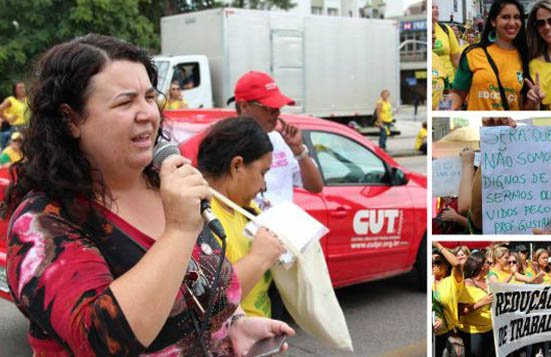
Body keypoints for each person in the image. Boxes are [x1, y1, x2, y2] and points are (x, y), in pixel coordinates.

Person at [3, 34, 292, 356]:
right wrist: (180, 229)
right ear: (70, 119)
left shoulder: (164, 184)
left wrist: (234, 325)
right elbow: (100, 340)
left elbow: (197, 285)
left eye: (149, 97)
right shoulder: (44, 223)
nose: (148, 114)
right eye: (125, 102)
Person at [197, 117, 287, 318]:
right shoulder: (200, 216)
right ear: (237, 165)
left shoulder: (245, 207)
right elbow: (208, 302)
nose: (264, 186)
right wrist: (259, 258)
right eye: (263, 172)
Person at [229, 70, 323, 207]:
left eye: (278, 108)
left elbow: (315, 187)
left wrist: (299, 151)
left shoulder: (279, 140)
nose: (277, 114)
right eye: (270, 108)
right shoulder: (226, 144)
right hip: (249, 226)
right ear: (244, 106)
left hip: (282, 226)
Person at [449, 0, 531, 110]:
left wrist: (533, 101)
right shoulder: (472, 54)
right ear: (493, 21)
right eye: (505, 17)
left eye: (516, 17)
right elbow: (457, 94)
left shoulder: (526, 57)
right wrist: (441, 109)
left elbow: (524, 106)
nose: (512, 23)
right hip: (478, 125)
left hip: (509, 126)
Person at [458, 251, 495, 357]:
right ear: (481, 266)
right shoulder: (467, 284)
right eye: (488, 262)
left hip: (490, 329)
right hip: (473, 332)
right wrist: (482, 302)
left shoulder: (488, 281)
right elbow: (462, 311)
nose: (490, 265)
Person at [432, 242, 464, 357]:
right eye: (431, 262)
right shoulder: (429, 281)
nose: (433, 265)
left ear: (446, 265)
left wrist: (438, 245)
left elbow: (457, 264)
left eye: (437, 262)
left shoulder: (452, 281)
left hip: (446, 334)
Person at [432, 2, 462, 105]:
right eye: (432, 8)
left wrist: (465, 78)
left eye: (437, 8)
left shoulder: (446, 29)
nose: (436, 10)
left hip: (449, 82)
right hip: (433, 81)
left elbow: (456, 58)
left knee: (446, 110)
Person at [0, 81, 29, 148]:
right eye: (20, 88)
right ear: (15, 90)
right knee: (16, 148)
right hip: (17, 128)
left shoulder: (28, 99)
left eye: (23, 87)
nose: (22, 89)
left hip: (29, 127)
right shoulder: (11, 100)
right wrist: (7, 118)